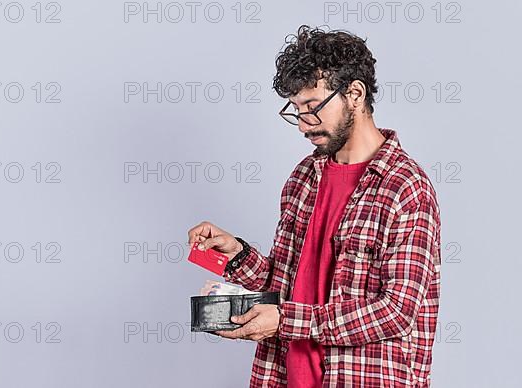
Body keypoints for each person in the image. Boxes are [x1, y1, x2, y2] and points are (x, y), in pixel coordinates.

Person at [187, 25, 441, 387]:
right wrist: (237, 254)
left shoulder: (405, 187)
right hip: (284, 375)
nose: (304, 124)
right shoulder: (304, 177)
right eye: (295, 110)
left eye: (312, 107)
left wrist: (287, 320)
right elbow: (287, 286)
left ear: (355, 93)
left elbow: (396, 312)